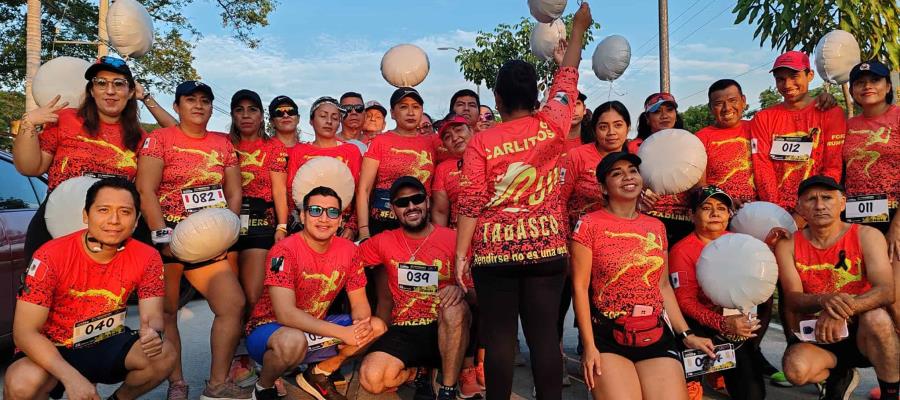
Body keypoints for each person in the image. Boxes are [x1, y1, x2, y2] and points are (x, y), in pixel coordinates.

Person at [454, 5, 591, 399]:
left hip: (494, 255)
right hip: (547, 249)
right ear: (536, 95)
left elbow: (472, 202)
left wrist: (461, 255)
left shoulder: (481, 141)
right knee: (545, 341)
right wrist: (578, 28)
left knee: (498, 342)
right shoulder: (553, 122)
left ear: (496, 98)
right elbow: (567, 77)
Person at [3, 178, 175, 400]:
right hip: (53, 345)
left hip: (104, 341)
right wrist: (71, 378)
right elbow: (24, 333)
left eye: (125, 211)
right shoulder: (50, 256)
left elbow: (152, 317)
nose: (114, 220)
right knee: (21, 383)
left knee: (164, 353)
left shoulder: (148, 256)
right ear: (86, 215)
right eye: (103, 210)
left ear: (136, 220)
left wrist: (153, 333)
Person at [136, 81, 249, 400]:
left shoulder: (223, 143)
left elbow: (234, 191)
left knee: (232, 304)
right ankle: (177, 382)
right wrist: (162, 238)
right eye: (190, 100)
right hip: (168, 234)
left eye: (205, 101)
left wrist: (228, 228)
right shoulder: (158, 139)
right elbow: (147, 191)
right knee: (168, 311)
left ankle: (216, 384)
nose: (198, 106)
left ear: (212, 107)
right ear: (177, 106)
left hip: (210, 237)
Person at [571, 152, 716, 400]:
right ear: (603, 188)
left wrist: (686, 335)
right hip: (608, 336)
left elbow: (663, 286)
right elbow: (580, 288)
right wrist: (589, 347)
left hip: (654, 333)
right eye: (617, 173)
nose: (628, 177)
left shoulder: (656, 227)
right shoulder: (588, 225)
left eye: (633, 170)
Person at [14, 56, 175, 262]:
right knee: (43, 290)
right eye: (101, 83)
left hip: (116, 230)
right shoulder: (64, 119)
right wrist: (28, 124)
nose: (110, 91)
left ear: (130, 92)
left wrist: (146, 98)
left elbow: (177, 136)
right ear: (91, 90)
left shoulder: (139, 136)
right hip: (59, 221)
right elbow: (30, 167)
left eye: (119, 84)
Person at [245, 186, 386, 400]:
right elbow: (286, 314)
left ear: (340, 220)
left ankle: (319, 373)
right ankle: (264, 387)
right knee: (292, 341)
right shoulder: (283, 251)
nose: (323, 218)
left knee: (376, 327)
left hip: (314, 328)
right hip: (271, 329)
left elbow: (359, 303)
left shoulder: (350, 251)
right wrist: (342, 333)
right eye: (315, 210)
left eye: (332, 212)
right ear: (302, 215)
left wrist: (360, 326)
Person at [774, 175, 899, 400]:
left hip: (863, 334)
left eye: (827, 198)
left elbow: (885, 290)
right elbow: (792, 298)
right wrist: (824, 301)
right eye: (811, 199)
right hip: (818, 334)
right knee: (795, 370)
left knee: (878, 319)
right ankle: (840, 375)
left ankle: (891, 393)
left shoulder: (867, 235)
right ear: (799, 207)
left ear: (842, 203)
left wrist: (839, 311)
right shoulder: (788, 244)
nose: (820, 205)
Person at [358, 176, 470, 400]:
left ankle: (446, 389)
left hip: (446, 327)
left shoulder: (454, 239)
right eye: (402, 203)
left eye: (417, 199)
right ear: (393, 209)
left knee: (454, 308)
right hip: (405, 328)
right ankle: (418, 373)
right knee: (371, 379)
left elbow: (480, 292)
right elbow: (345, 259)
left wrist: (461, 288)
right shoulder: (383, 241)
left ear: (427, 202)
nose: (411, 207)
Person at [669, 185, 768, 399]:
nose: (715, 213)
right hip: (697, 327)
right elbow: (684, 301)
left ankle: (721, 371)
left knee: (754, 396)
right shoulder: (682, 250)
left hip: (733, 326)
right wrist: (721, 323)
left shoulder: (741, 242)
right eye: (707, 208)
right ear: (691, 215)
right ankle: (696, 375)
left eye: (722, 208)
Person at [228, 89, 289, 386]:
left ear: (261, 115)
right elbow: (175, 127)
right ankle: (233, 356)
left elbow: (279, 190)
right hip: (224, 223)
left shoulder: (273, 147)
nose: (246, 115)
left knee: (252, 295)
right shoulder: (223, 143)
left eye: (252, 110)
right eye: (239, 110)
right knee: (230, 298)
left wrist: (281, 226)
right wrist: (145, 98)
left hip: (261, 223)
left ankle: (251, 356)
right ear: (232, 115)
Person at [844, 61, 900, 359]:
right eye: (860, 82)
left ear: (888, 86)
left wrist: (897, 227)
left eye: (875, 80)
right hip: (855, 220)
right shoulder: (848, 125)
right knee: (862, 299)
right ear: (851, 90)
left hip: (893, 218)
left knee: (893, 300)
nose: (868, 86)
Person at [750, 51, 845, 219]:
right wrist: (777, 213)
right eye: (780, 79)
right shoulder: (763, 118)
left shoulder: (830, 113)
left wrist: (806, 213)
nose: (787, 84)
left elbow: (833, 166)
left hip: (819, 211)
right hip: (776, 213)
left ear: (810, 75)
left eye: (794, 76)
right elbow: (762, 167)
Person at [287, 97, 363, 239]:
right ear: (311, 120)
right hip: (307, 225)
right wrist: (298, 223)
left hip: (341, 226)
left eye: (335, 118)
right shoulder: (299, 151)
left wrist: (352, 226)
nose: (329, 121)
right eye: (323, 116)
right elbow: (291, 191)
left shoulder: (351, 151)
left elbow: (360, 191)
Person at [632, 92, 695, 244]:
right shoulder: (634, 147)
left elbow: (699, 185)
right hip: (649, 219)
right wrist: (640, 195)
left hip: (685, 220)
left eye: (669, 110)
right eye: (657, 112)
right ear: (647, 118)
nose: (664, 115)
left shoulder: (689, 144)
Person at [695, 80, 757, 205]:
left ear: (743, 101)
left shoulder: (758, 129)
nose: (727, 108)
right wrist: (725, 201)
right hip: (720, 213)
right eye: (718, 103)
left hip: (761, 210)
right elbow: (698, 186)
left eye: (733, 100)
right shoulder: (700, 138)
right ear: (711, 108)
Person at [431, 114, 473, 228]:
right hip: (457, 238)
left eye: (459, 130)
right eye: (447, 137)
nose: (455, 138)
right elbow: (440, 212)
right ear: (444, 145)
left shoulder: (490, 154)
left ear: (471, 130)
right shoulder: (443, 169)